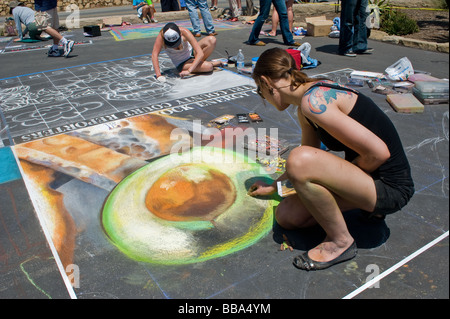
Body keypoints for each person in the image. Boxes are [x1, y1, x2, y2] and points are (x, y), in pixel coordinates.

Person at [249, 48, 414, 271]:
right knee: (287, 216)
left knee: (298, 159)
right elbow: (309, 150)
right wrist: (273, 187)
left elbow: (379, 153)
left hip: (391, 188)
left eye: (261, 91)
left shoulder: (314, 102)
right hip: (370, 182)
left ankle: (340, 242)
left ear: (266, 81)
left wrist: (341, 180)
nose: (264, 98)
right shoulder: (307, 104)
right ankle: (368, 209)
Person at [152, 22, 223, 81]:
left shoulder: (184, 31)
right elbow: (154, 55)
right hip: (182, 63)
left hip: (192, 53)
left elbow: (200, 53)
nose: (175, 47)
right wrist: (158, 75)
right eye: (172, 45)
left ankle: (199, 64)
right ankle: (207, 64)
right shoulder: (161, 37)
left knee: (211, 40)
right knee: (209, 67)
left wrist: (189, 71)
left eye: (176, 43)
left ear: (180, 35)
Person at [9, 1, 74, 57]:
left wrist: (20, 37)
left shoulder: (15, 10)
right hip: (53, 4)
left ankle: (65, 42)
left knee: (43, 26)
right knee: (54, 27)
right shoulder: (24, 8)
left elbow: (18, 25)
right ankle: (55, 49)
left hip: (43, 7)